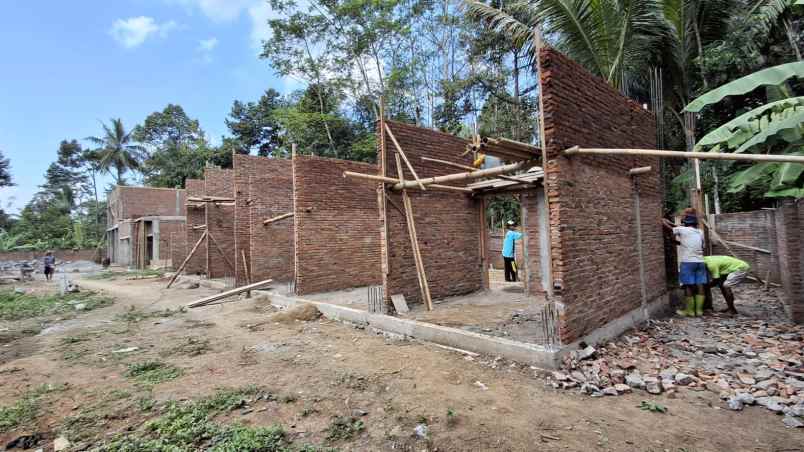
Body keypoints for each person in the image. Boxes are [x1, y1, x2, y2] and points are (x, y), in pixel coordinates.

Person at [661, 214, 707, 317]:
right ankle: (699, 311)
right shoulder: (700, 232)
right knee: (700, 285)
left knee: (688, 285)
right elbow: (701, 246)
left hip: (688, 262)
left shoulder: (683, 230)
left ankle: (689, 311)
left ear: (685, 224)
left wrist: (663, 220)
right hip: (700, 261)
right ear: (695, 224)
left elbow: (667, 226)